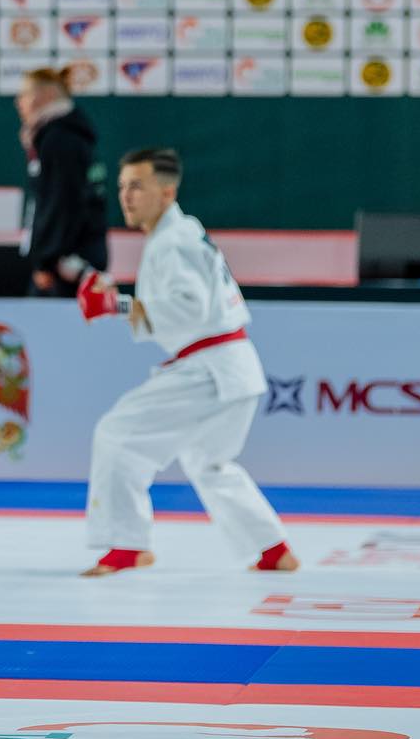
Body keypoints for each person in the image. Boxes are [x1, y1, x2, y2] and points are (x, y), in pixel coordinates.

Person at [76, 148, 299, 578]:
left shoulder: (173, 241)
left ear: (167, 192)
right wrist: (121, 304)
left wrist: (116, 304)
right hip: (232, 367)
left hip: (209, 368)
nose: (127, 196)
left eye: (137, 186)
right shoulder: (183, 232)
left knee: (117, 434)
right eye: (122, 187)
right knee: (208, 463)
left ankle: (127, 545)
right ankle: (273, 548)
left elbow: (191, 307)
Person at [16, 67, 107, 297]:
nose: (18, 102)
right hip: (66, 262)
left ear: (46, 95)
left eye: (25, 94)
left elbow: (61, 204)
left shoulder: (60, 140)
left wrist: (46, 261)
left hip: (65, 268)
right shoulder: (59, 136)